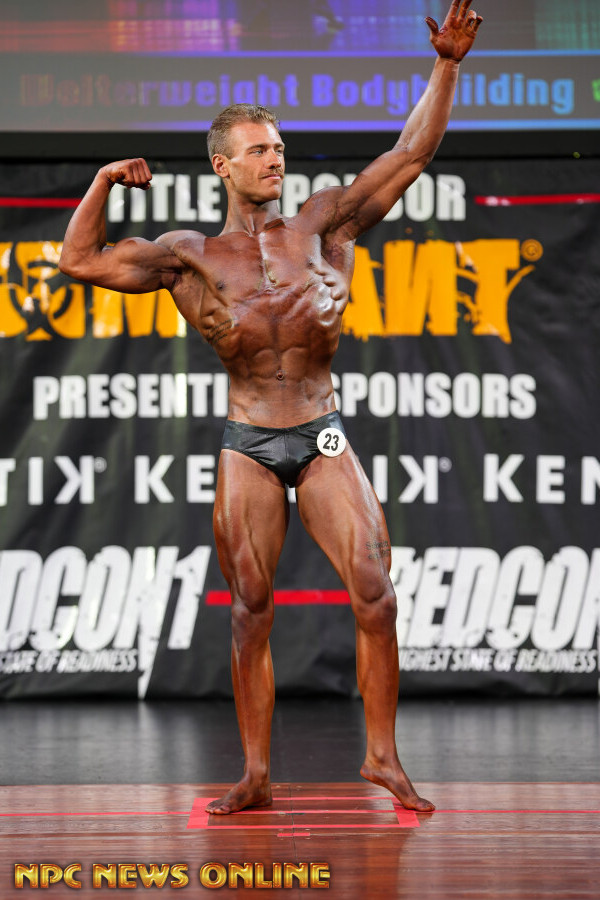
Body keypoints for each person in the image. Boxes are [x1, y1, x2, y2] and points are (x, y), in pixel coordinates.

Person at [59, 0, 482, 816]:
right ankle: (255, 773)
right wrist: (105, 180)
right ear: (223, 165)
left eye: (279, 148)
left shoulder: (323, 224)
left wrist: (447, 66)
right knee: (251, 609)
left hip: (320, 432)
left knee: (376, 590)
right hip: (249, 440)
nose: (274, 159)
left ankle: (382, 757)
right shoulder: (187, 257)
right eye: (258, 151)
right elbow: (79, 260)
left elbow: (410, 154)